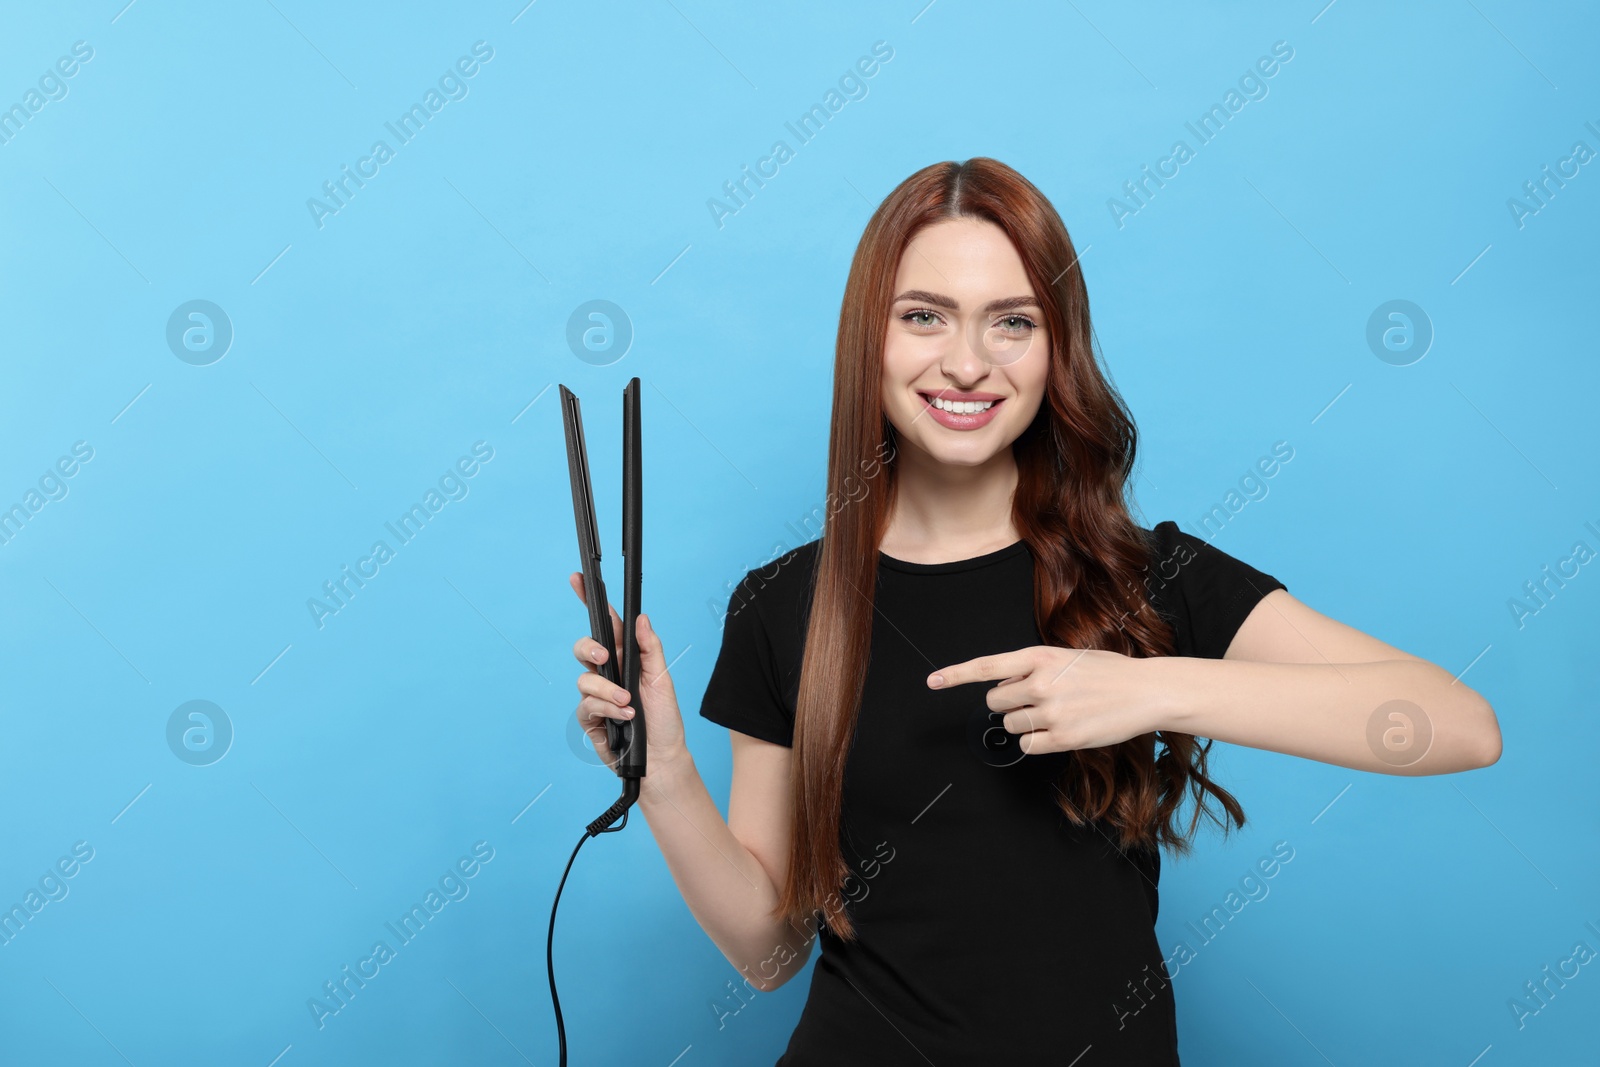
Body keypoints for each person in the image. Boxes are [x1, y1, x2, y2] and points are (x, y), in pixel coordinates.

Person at [568, 157, 1502, 1066]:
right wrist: (666, 775)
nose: (967, 363)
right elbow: (771, 953)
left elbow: (1460, 725)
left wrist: (1148, 689)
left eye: (1011, 322)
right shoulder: (782, 606)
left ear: (1058, 346)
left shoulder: (1149, 575)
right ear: (870, 340)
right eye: (924, 317)